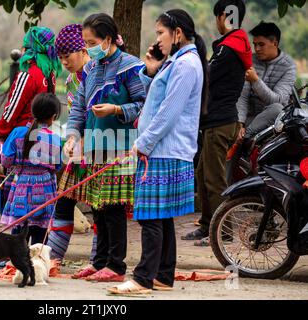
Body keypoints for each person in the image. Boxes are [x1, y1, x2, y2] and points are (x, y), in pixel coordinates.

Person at [108, 9, 207, 294]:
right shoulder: (176, 63)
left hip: (165, 150)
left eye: (160, 33)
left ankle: (142, 278)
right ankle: (163, 275)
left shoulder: (187, 65)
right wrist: (151, 71)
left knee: (150, 215)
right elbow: (159, 99)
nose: (158, 40)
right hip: (163, 149)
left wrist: (143, 143)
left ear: (177, 33)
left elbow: (169, 112)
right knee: (161, 215)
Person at [65, 13, 146, 282]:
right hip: (94, 147)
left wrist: (116, 109)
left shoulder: (131, 68)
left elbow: (143, 105)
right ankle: (99, 262)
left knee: (113, 209)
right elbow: (78, 106)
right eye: (85, 43)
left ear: (108, 39)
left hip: (119, 149)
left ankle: (116, 266)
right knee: (96, 207)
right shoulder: (90, 69)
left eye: (91, 42)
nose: (87, 48)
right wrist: (73, 136)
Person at [183, 0, 252, 245]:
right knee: (203, 175)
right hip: (218, 120)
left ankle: (223, 232)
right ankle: (206, 225)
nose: (217, 22)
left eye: (217, 17)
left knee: (214, 180)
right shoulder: (234, 46)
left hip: (220, 122)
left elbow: (204, 77)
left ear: (224, 16)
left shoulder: (227, 49)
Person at [0, 26, 62, 214]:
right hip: (43, 137)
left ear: (29, 48)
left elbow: (13, 108)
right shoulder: (50, 73)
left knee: (15, 188)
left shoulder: (28, 73)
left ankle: (13, 225)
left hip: (22, 137)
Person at [46, 24, 97, 263]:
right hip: (77, 149)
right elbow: (75, 114)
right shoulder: (70, 80)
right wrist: (72, 139)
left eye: (68, 57)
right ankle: (52, 258)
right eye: (61, 58)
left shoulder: (97, 73)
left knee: (100, 206)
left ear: (83, 50)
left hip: (100, 148)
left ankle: (100, 261)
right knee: (64, 201)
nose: (64, 62)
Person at [0, 93, 62, 245]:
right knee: (40, 237)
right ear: (54, 116)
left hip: (22, 188)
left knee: (18, 235)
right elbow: (57, 166)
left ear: (33, 111)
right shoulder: (55, 139)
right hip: (45, 191)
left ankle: (15, 263)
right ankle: (38, 265)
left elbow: (6, 160)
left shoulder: (18, 133)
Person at [236, 21, 297, 144]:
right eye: (255, 44)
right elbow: (243, 95)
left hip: (272, 121)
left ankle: (245, 138)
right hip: (248, 118)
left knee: (277, 108)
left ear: (275, 43)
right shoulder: (250, 60)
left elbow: (278, 101)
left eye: (261, 44)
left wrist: (256, 81)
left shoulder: (288, 66)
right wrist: (239, 123)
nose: (257, 49)